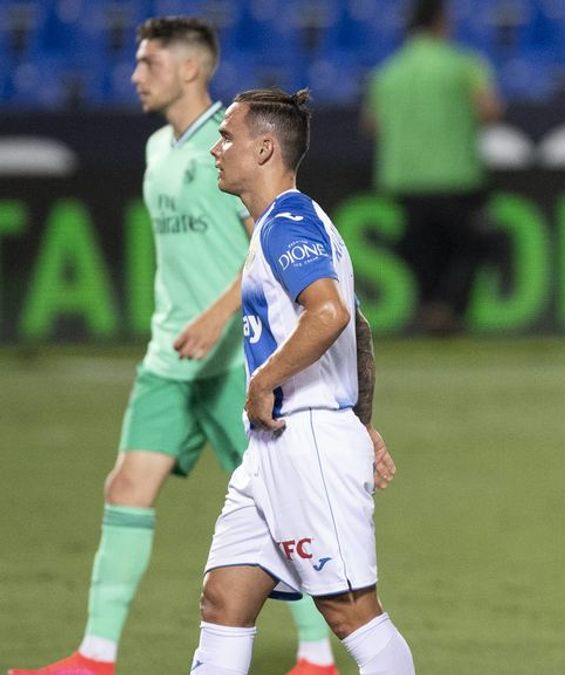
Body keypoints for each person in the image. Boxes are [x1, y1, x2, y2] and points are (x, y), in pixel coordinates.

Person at [8, 18, 338, 675]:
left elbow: (262, 242)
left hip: (232, 361)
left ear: (191, 68)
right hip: (169, 358)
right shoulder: (159, 150)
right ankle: (95, 657)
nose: (135, 75)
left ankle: (316, 655)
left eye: (148, 62)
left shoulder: (234, 147)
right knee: (127, 486)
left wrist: (219, 315)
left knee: (279, 504)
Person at [191, 87, 412, 675]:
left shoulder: (286, 224)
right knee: (224, 600)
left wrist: (264, 380)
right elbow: (357, 326)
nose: (217, 150)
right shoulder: (287, 223)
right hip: (272, 451)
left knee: (351, 613)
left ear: (264, 149)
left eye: (227, 137)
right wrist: (362, 423)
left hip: (304, 440)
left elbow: (330, 314)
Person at [362, 0, 503, 335]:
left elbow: (371, 124)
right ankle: (446, 308)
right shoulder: (462, 64)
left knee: (423, 251)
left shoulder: (387, 72)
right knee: (472, 246)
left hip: (405, 178)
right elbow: (490, 110)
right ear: (441, 21)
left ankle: (431, 309)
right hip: (455, 174)